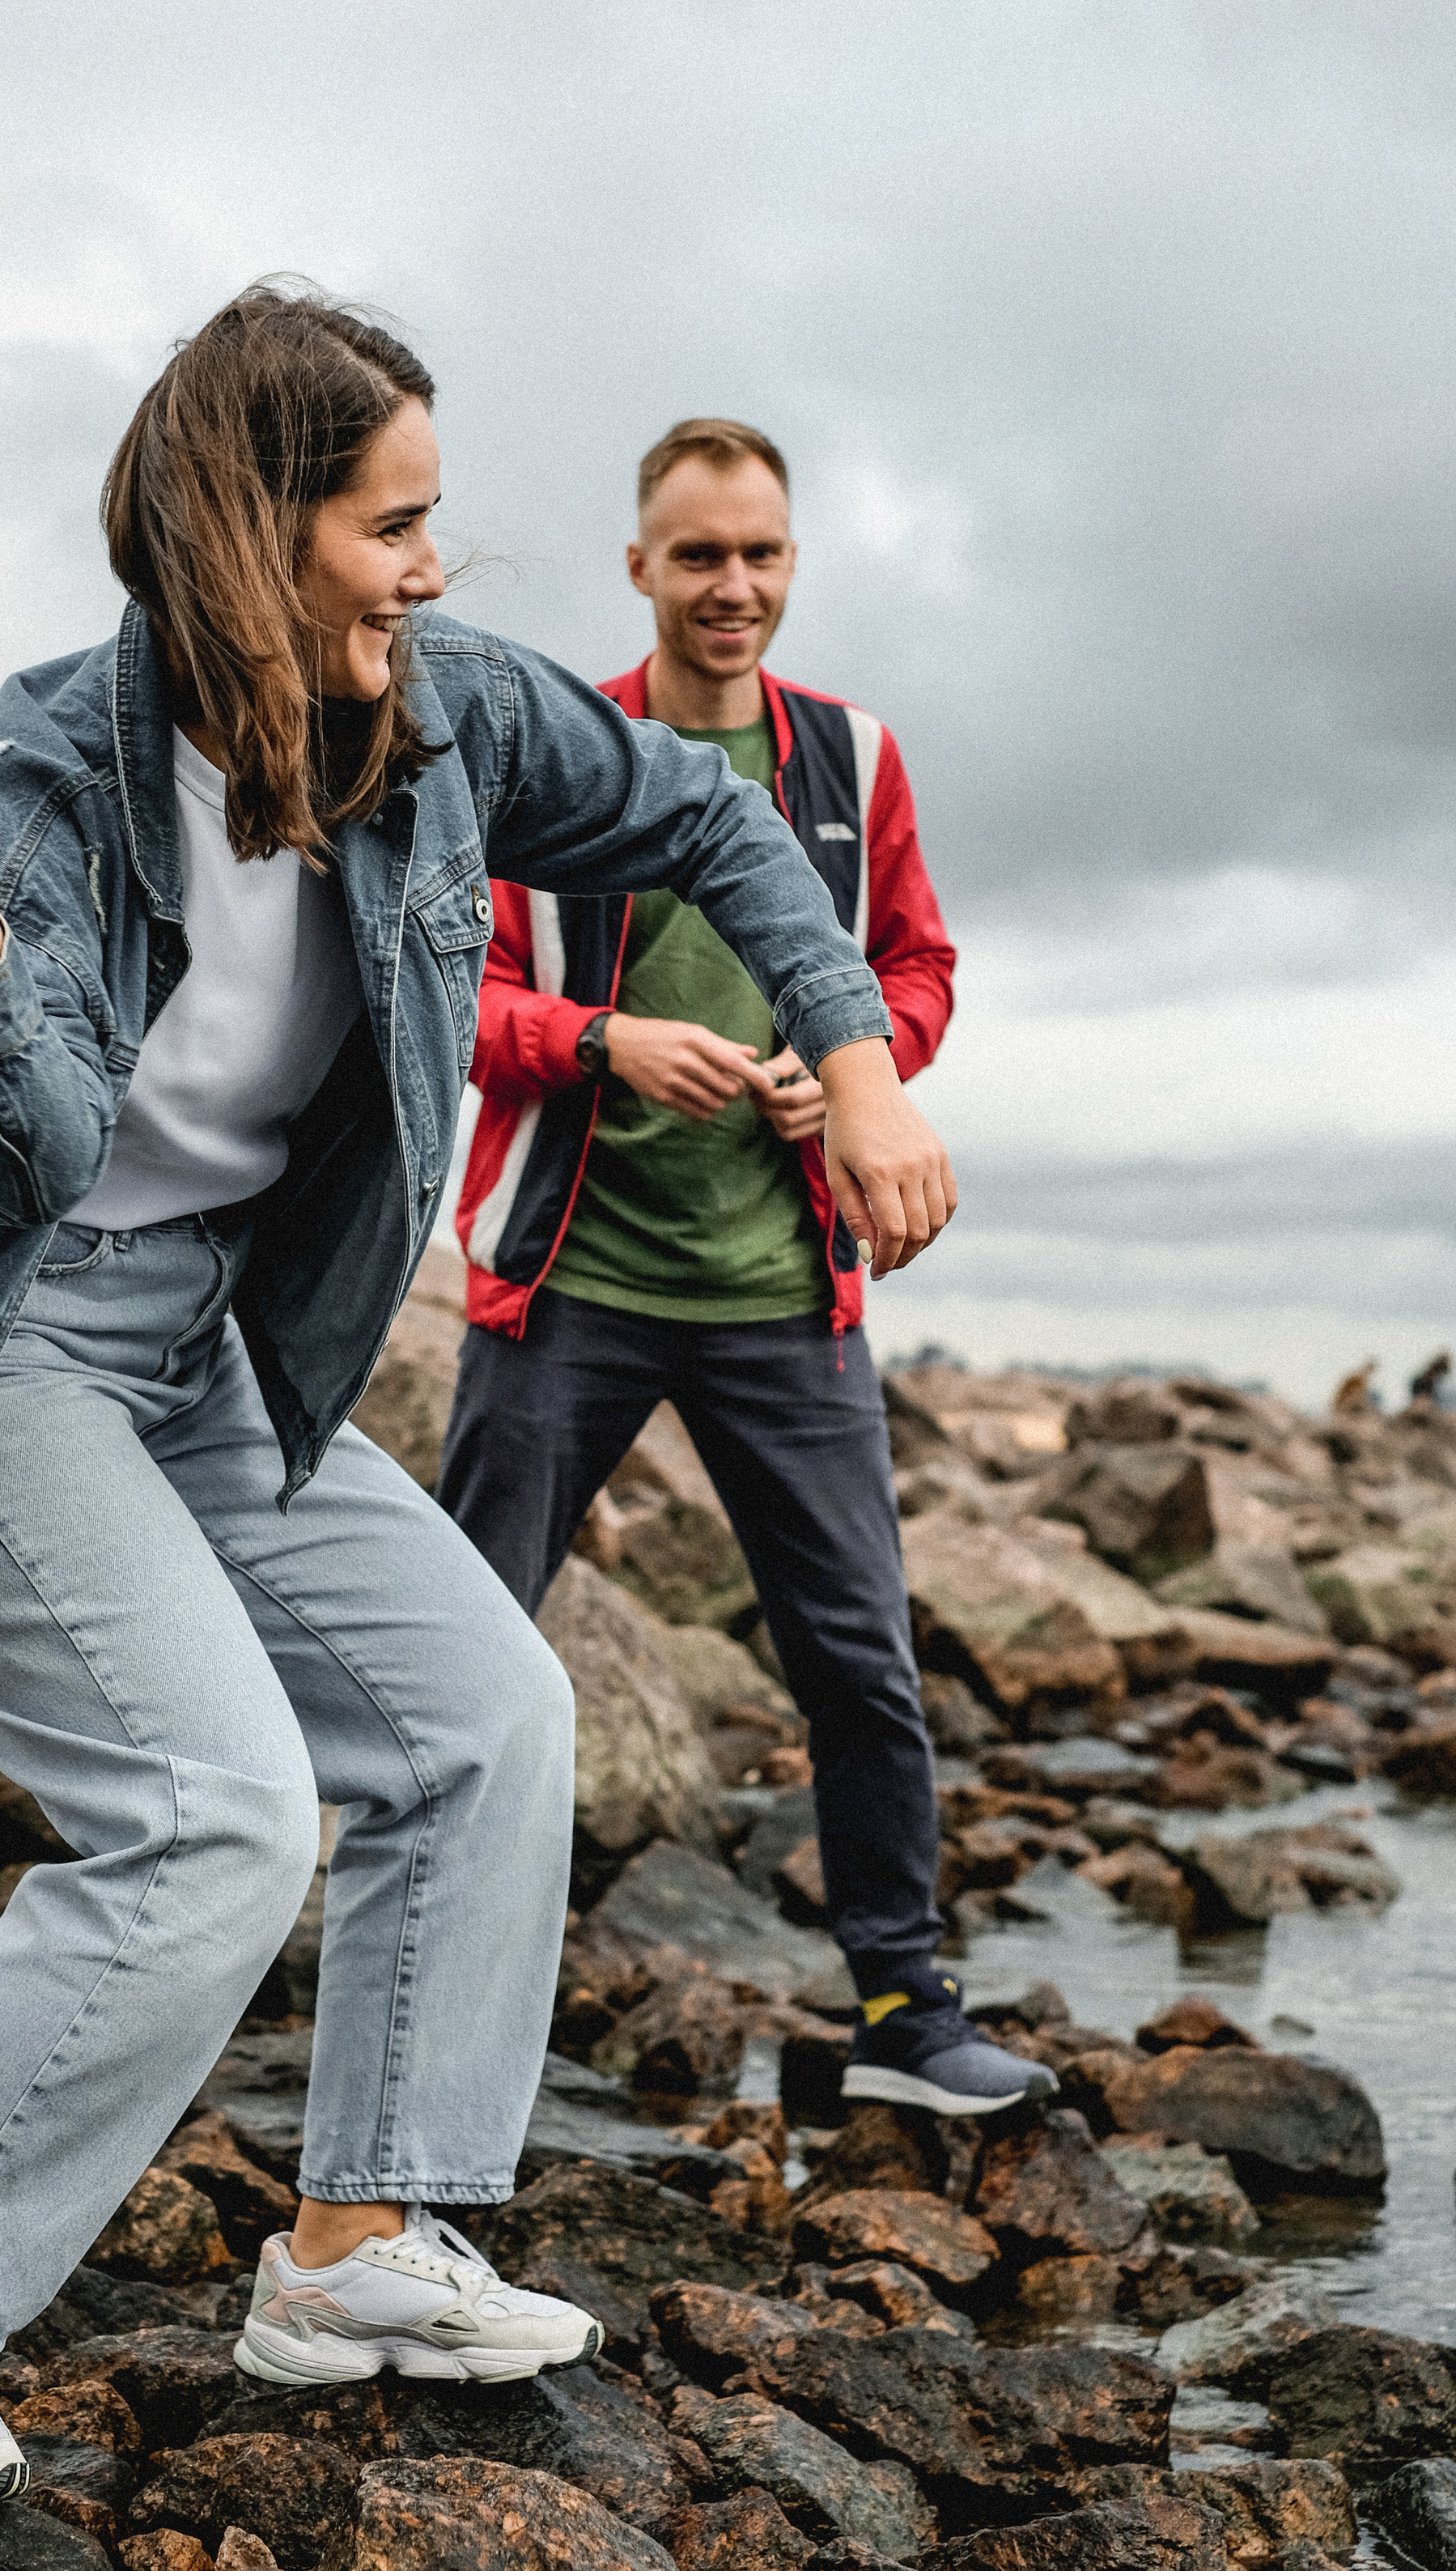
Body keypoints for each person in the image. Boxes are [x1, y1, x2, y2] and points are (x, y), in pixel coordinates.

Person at [0, 289, 954, 2498]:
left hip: (208, 1348)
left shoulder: (447, 718)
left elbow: (715, 826)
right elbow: (36, 1146)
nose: (432, 570)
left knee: (492, 1717)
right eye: (392, 528)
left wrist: (856, 1065)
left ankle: (359, 2237)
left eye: (435, 521)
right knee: (212, 1816)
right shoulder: (46, 769)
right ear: (248, 533)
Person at [440, 418, 1055, 2119]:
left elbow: (917, 967)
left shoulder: (851, 761)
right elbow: (451, 1002)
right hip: (560, 1282)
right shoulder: (543, 748)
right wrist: (600, 1041)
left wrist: (844, 1059)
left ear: (790, 566)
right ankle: (414, 1993)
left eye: (760, 555)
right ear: (638, 567)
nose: (732, 586)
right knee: (468, 1647)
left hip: (783, 1293)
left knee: (858, 1658)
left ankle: (902, 2014)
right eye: (698, 555)